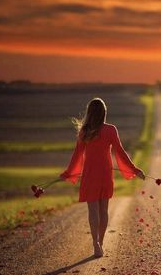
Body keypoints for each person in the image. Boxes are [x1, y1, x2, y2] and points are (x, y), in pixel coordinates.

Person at [59, 97, 145, 257]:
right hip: (105, 173)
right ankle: (101, 242)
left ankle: (95, 243)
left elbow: (76, 155)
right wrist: (134, 169)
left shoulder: (84, 132)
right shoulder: (111, 130)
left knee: (93, 210)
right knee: (103, 210)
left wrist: (68, 173)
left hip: (90, 174)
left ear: (89, 113)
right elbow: (120, 152)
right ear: (104, 113)